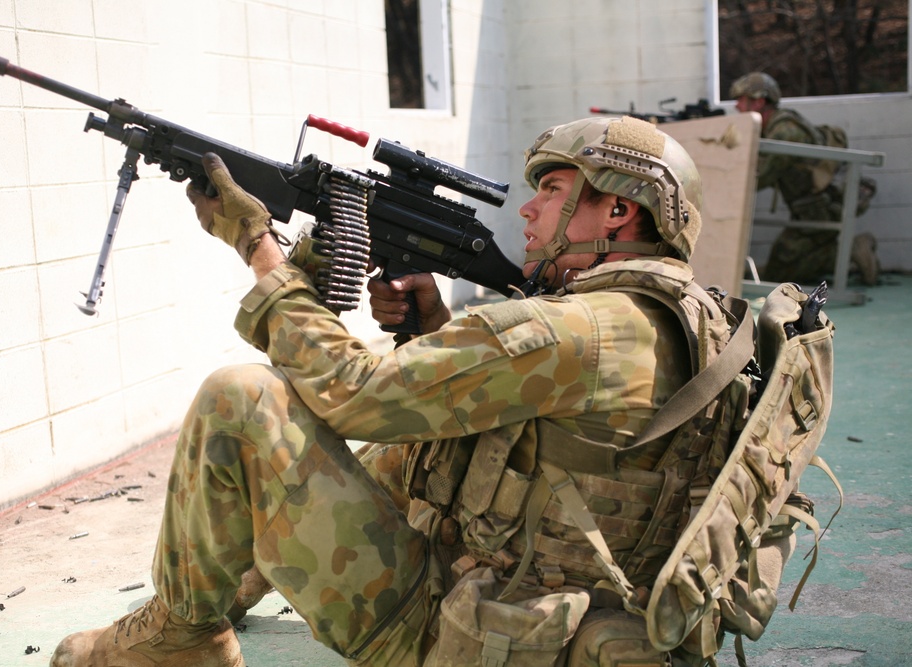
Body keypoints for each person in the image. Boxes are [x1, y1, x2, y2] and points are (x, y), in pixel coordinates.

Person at [48, 116, 729, 667]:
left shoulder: (578, 329)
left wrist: (257, 243)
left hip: (476, 638)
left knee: (242, 400)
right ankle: (219, 594)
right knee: (396, 458)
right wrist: (432, 325)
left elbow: (353, 391)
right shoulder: (681, 320)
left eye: (553, 188)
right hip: (587, 615)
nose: (529, 207)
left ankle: (181, 638)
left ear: (617, 209)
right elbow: (539, 429)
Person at [730, 71, 880, 286]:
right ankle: (841, 253)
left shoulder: (785, 132)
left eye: (741, 100)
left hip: (822, 209)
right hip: (812, 210)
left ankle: (851, 252)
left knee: (779, 275)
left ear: (759, 102)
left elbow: (759, 178)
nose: (737, 106)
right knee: (779, 270)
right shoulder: (775, 127)